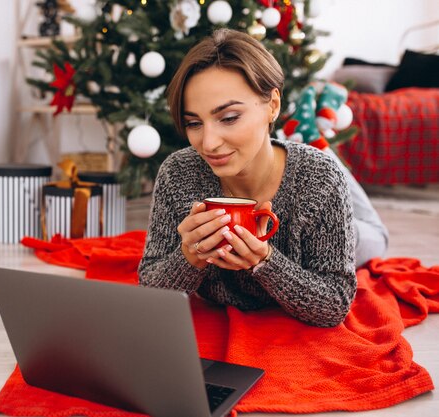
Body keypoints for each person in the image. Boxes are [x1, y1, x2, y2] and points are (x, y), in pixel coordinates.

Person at [138, 29, 360, 327]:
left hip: (335, 196)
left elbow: (334, 305)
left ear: (272, 105)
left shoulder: (319, 179)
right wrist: (188, 257)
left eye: (229, 118)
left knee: (370, 240)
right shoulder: (179, 174)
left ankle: (320, 148)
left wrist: (265, 262)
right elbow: (149, 293)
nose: (209, 143)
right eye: (194, 123)